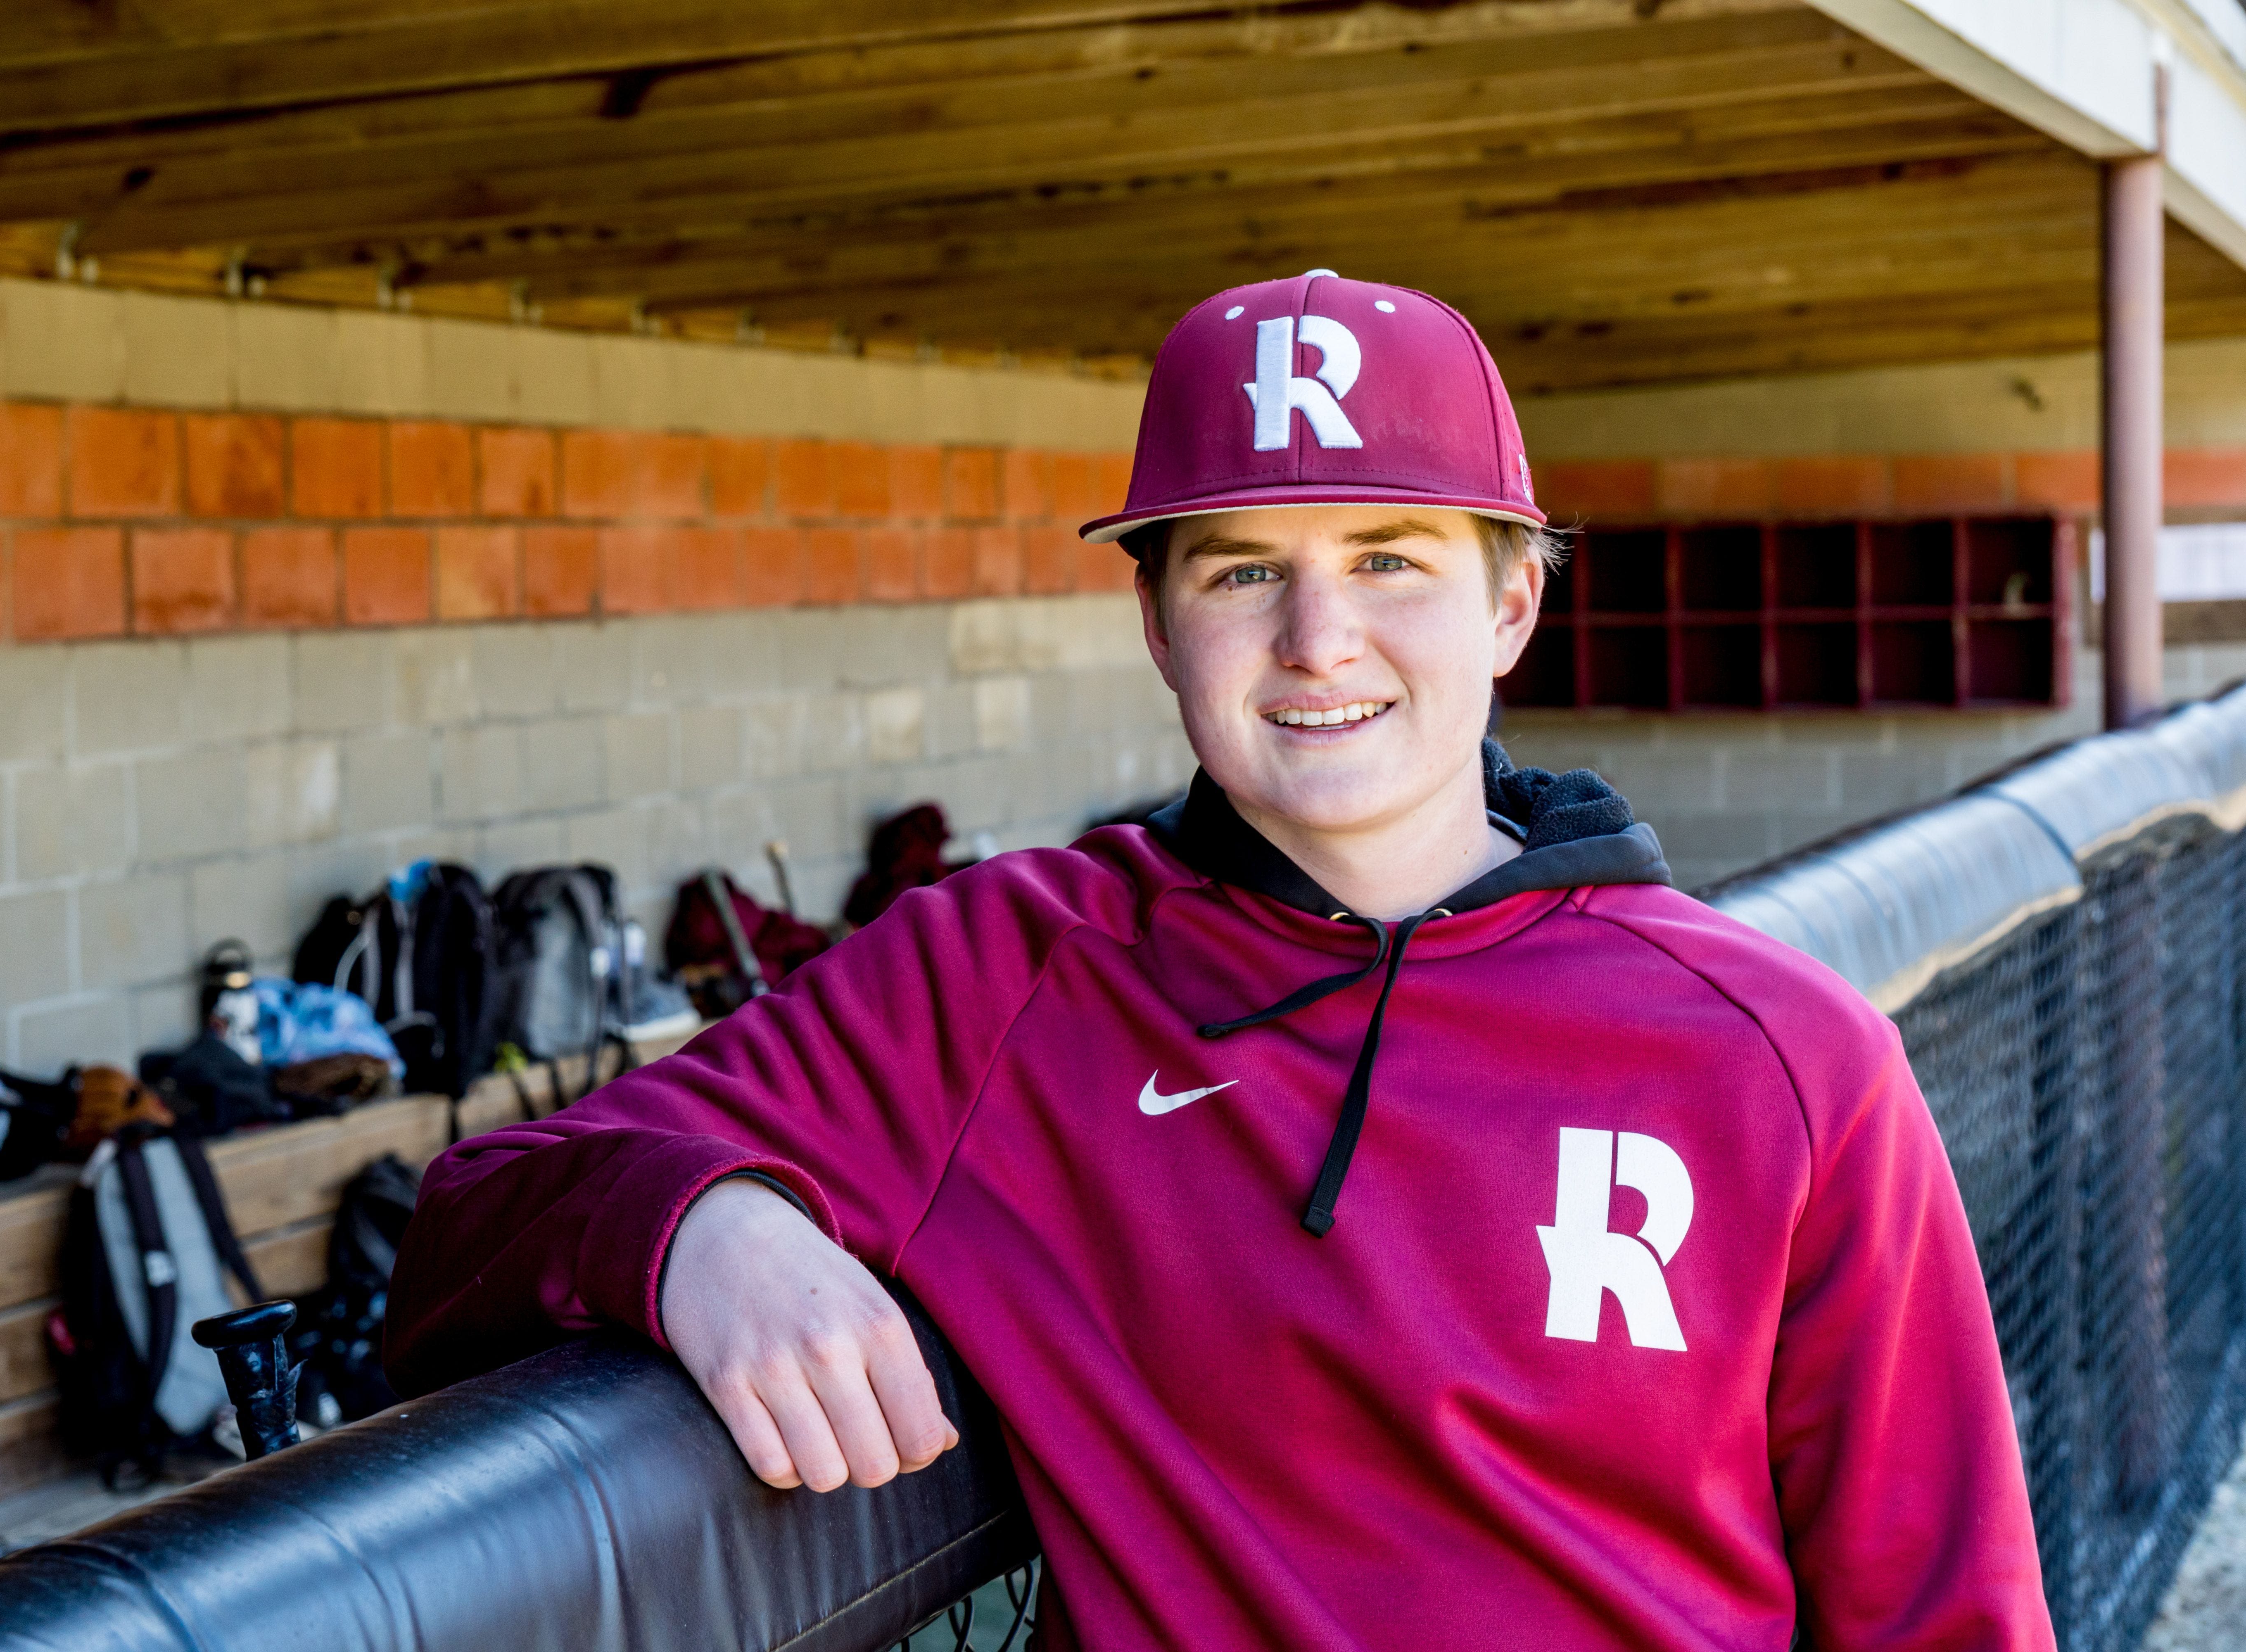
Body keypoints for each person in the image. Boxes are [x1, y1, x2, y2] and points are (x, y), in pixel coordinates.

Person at [385, 271, 2051, 1649]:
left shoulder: (1783, 1054)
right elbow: (473, 1213)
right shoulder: (1015, 969)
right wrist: (704, 1228)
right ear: (1160, 626)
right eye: (1245, 569)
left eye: (1389, 559)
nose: (1317, 640)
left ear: (1514, 607)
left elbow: (1948, 1613)